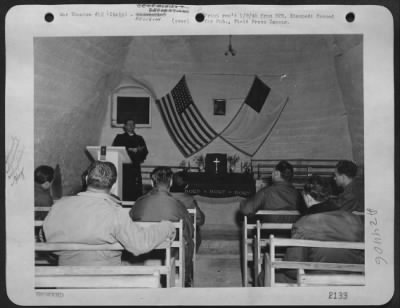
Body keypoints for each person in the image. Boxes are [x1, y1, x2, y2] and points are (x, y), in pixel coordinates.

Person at [42, 161, 176, 266]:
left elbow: (44, 239)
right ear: (113, 184)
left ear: (87, 178)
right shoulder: (116, 213)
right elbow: (140, 244)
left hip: (65, 275)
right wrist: (167, 226)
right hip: (106, 276)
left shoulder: (59, 206)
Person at [260, 175, 364, 285]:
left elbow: (292, 268)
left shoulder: (303, 223)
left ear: (308, 198)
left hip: (315, 281)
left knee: (264, 276)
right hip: (353, 281)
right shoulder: (355, 219)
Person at [130, 166, 195, 287]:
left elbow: (130, 223)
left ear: (151, 182)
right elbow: (189, 230)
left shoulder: (139, 202)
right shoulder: (177, 204)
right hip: (168, 251)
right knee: (189, 241)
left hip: (143, 250)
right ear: (171, 182)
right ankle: (185, 279)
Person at [239, 160, 304, 218]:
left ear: (277, 174)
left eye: (273, 172)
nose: (272, 174)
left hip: (268, 230)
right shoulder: (298, 194)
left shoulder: (266, 192)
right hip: (291, 230)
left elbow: (246, 210)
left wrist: (243, 203)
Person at [112, 119, 148, 201]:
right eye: (129, 124)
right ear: (124, 126)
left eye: (133, 124)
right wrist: (130, 149)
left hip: (135, 167)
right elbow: (116, 149)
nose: (131, 126)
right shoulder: (120, 137)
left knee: (135, 188)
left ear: (135, 126)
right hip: (123, 167)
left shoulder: (139, 138)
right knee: (124, 187)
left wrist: (139, 150)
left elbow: (145, 152)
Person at [170, 171, 205, 252]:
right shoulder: (189, 200)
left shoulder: (165, 198)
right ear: (186, 186)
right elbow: (200, 220)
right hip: (183, 238)